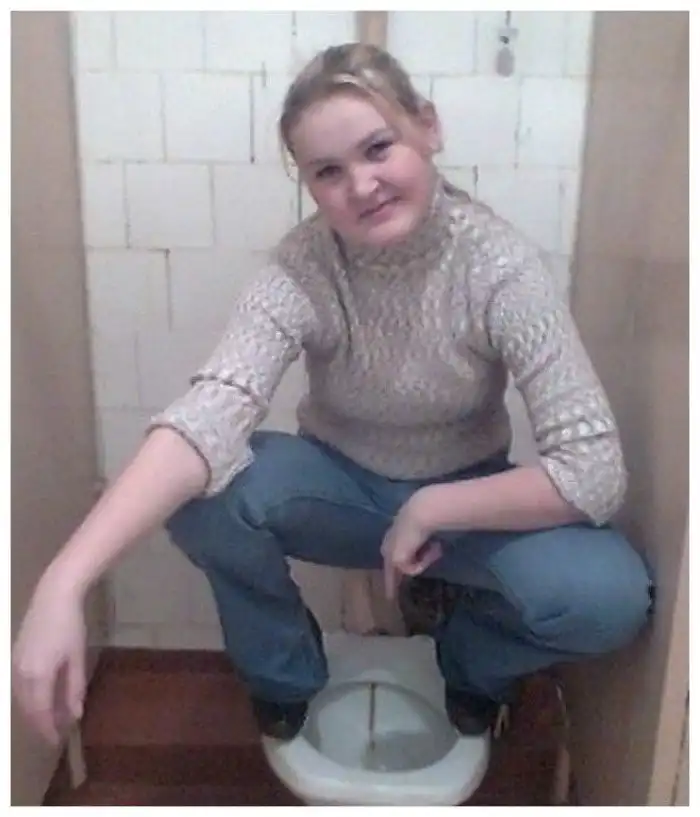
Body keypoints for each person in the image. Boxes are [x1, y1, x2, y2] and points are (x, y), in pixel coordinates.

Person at [12, 42, 653, 746]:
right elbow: (207, 414)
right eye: (328, 171)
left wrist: (433, 506)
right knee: (203, 496)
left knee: (609, 597)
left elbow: (594, 469)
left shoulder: (500, 267)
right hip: (335, 490)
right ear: (310, 185)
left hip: (461, 504)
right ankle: (283, 673)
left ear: (428, 127)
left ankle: (470, 659)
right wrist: (63, 583)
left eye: (378, 148)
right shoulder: (305, 266)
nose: (362, 185)